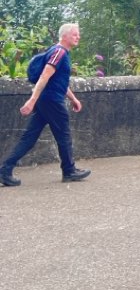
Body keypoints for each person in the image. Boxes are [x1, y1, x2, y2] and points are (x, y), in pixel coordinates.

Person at [0, 23, 91, 186]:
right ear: (64, 36)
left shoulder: (58, 51)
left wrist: (73, 99)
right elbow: (44, 76)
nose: (78, 37)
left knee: (29, 137)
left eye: (78, 34)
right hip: (52, 101)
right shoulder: (59, 52)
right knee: (64, 136)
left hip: (47, 100)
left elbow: (59, 82)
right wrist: (31, 100)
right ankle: (69, 171)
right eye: (75, 34)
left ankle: (4, 170)